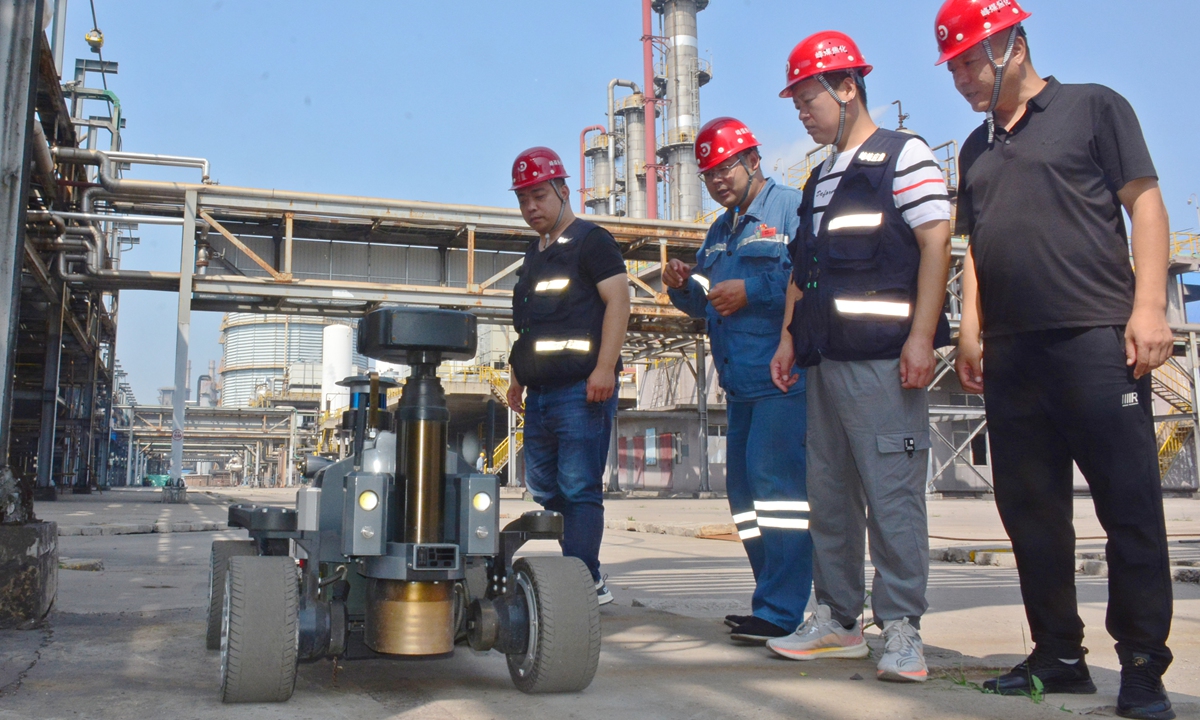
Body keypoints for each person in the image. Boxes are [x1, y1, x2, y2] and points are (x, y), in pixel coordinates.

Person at [936, 2, 1176, 716]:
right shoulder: (974, 150)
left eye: (971, 63)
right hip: (1013, 357)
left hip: (1095, 343)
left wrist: (1149, 307)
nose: (962, 80)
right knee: (1031, 513)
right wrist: (971, 329)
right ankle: (1059, 654)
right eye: (952, 69)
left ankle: (1141, 667)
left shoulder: (1095, 109)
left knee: (1128, 509)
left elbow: (1147, 204)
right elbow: (974, 247)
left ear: (1014, 45)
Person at [765, 30, 952, 684]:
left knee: (892, 495)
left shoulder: (903, 156)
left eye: (808, 98)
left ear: (848, 87)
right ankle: (840, 622)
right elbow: (802, 268)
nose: (801, 112)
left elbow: (936, 241)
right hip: (823, 361)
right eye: (795, 103)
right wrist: (789, 336)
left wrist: (922, 336)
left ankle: (902, 630)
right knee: (831, 497)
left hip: (884, 360)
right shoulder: (817, 180)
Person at [661, 117, 813, 644]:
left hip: (783, 379)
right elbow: (707, 297)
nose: (718, 179)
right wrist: (684, 286)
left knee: (780, 496)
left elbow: (808, 276)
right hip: (740, 384)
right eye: (708, 173)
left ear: (753, 160)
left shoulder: (792, 208)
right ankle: (770, 599)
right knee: (745, 499)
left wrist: (754, 292)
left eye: (726, 166)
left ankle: (783, 609)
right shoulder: (721, 230)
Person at [506, 146, 631, 606]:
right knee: (542, 485)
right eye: (523, 200)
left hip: (582, 390)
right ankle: (583, 570)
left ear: (563, 189)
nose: (530, 207)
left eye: (538, 195)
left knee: (579, 487)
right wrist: (517, 375)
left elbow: (619, 301)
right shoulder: (534, 254)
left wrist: (604, 367)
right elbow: (529, 325)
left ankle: (584, 579)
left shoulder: (592, 241)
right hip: (539, 393)